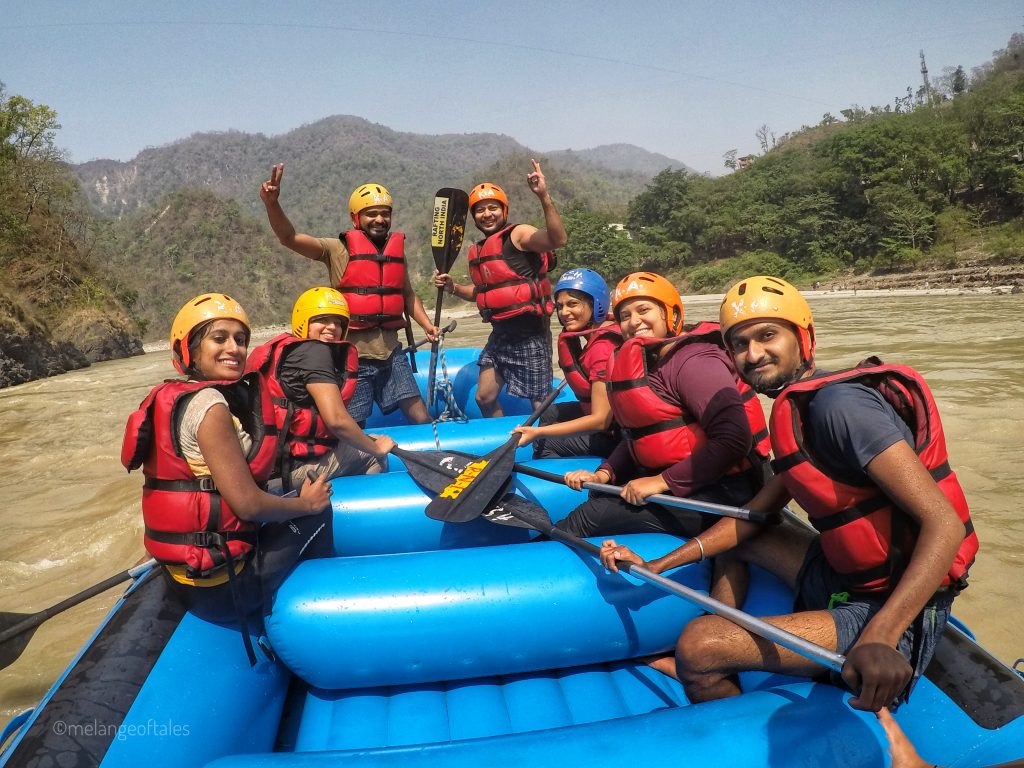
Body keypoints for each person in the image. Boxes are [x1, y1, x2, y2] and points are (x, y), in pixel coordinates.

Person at [599, 275, 978, 712]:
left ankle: (719, 683)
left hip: (890, 603)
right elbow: (750, 518)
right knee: (747, 540)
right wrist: (656, 566)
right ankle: (734, 647)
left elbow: (944, 522)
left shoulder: (842, 409)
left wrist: (881, 636)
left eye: (767, 336)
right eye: (739, 345)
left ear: (804, 337)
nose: (752, 354)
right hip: (845, 577)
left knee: (697, 647)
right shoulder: (797, 407)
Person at [121, 293, 333, 663]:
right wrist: (307, 504)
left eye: (240, 339)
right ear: (189, 348)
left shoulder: (168, 397)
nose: (233, 348)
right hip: (224, 587)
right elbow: (248, 504)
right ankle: (318, 619)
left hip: (184, 575)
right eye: (219, 338)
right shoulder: (211, 407)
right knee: (318, 511)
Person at [556, 271, 771, 539]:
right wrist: (605, 474)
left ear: (672, 314)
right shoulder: (652, 358)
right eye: (625, 316)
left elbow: (734, 440)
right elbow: (640, 433)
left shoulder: (695, 361)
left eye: (643, 310)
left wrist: (660, 482)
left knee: (588, 518)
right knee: (597, 495)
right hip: (685, 480)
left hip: (727, 490)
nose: (634, 322)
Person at [260, 164, 436, 425]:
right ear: (356, 218)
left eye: (385, 214)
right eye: (371, 214)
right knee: (354, 425)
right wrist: (272, 204)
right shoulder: (336, 249)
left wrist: (427, 325)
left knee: (420, 416)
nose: (379, 219)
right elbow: (290, 237)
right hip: (352, 357)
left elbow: (408, 296)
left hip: (391, 353)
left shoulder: (396, 253)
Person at [433, 159, 567, 415]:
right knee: (484, 397)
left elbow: (557, 239)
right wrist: (453, 287)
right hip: (500, 336)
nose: (487, 214)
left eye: (492, 207)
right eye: (480, 210)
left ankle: (546, 449)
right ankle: (508, 448)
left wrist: (543, 196)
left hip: (531, 335)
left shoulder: (517, 235)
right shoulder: (480, 250)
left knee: (540, 404)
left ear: (504, 211)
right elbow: (483, 293)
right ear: (473, 218)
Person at [245, 287, 396, 493]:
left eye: (338, 322)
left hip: (268, 469)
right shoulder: (314, 352)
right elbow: (337, 420)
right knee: (373, 454)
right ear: (303, 321)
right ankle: (361, 520)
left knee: (366, 442)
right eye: (323, 320)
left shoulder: (288, 350)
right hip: (289, 474)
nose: (332, 327)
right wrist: (376, 448)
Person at [513, 267, 621, 458]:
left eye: (573, 304)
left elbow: (601, 420)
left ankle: (549, 481)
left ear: (596, 304)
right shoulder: (595, 334)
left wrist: (539, 433)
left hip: (617, 436)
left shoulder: (602, 349)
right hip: (609, 422)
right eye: (560, 306)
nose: (564, 312)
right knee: (548, 413)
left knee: (545, 442)